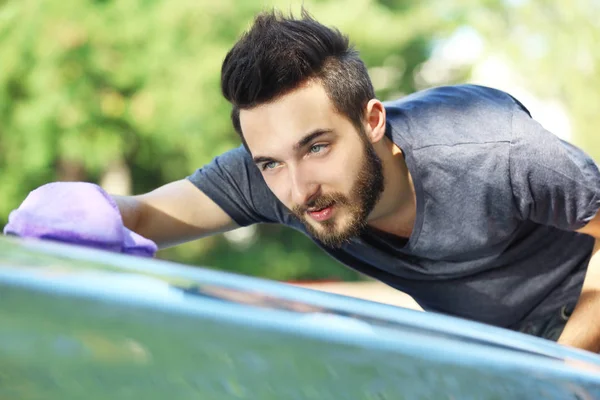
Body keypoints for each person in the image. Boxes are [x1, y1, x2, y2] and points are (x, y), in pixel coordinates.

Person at [5, 10, 600, 352]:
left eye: (317, 147)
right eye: (270, 162)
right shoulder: (274, 179)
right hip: (505, 359)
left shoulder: (493, 147)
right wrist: (80, 210)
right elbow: (139, 216)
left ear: (371, 120)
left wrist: (563, 362)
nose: (298, 188)